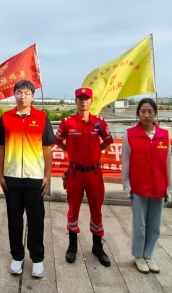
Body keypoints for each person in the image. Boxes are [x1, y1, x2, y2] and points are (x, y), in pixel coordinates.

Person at [0, 79, 56, 278]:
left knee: (36, 219)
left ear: (32, 96)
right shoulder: (6, 118)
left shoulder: (42, 117)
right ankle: (17, 256)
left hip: (34, 177)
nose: (22, 97)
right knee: (14, 219)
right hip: (11, 177)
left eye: (27, 93)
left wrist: (47, 175)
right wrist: (0, 174)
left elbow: (47, 149)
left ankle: (37, 258)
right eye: (19, 93)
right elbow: (0, 148)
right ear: (14, 95)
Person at [55, 88, 114, 266]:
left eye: (86, 98)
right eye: (80, 99)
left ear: (91, 101)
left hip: (94, 173)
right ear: (75, 101)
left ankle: (97, 246)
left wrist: (96, 151)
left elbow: (108, 140)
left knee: (96, 209)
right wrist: (70, 151)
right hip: (75, 173)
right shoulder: (68, 122)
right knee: (73, 209)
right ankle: (72, 245)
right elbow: (58, 140)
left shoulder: (99, 122)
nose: (83, 102)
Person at [121, 98, 172, 274]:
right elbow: (126, 163)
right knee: (140, 225)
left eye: (150, 111)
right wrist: (126, 185)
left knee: (155, 226)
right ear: (138, 114)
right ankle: (138, 256)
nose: (146, 115)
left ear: (155, 114)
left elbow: (167, 164)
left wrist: (169, 188)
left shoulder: (163, 135)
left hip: (159, 187)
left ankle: (148, 255)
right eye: (143, 111)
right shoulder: (130, 134)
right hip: (139, 187)